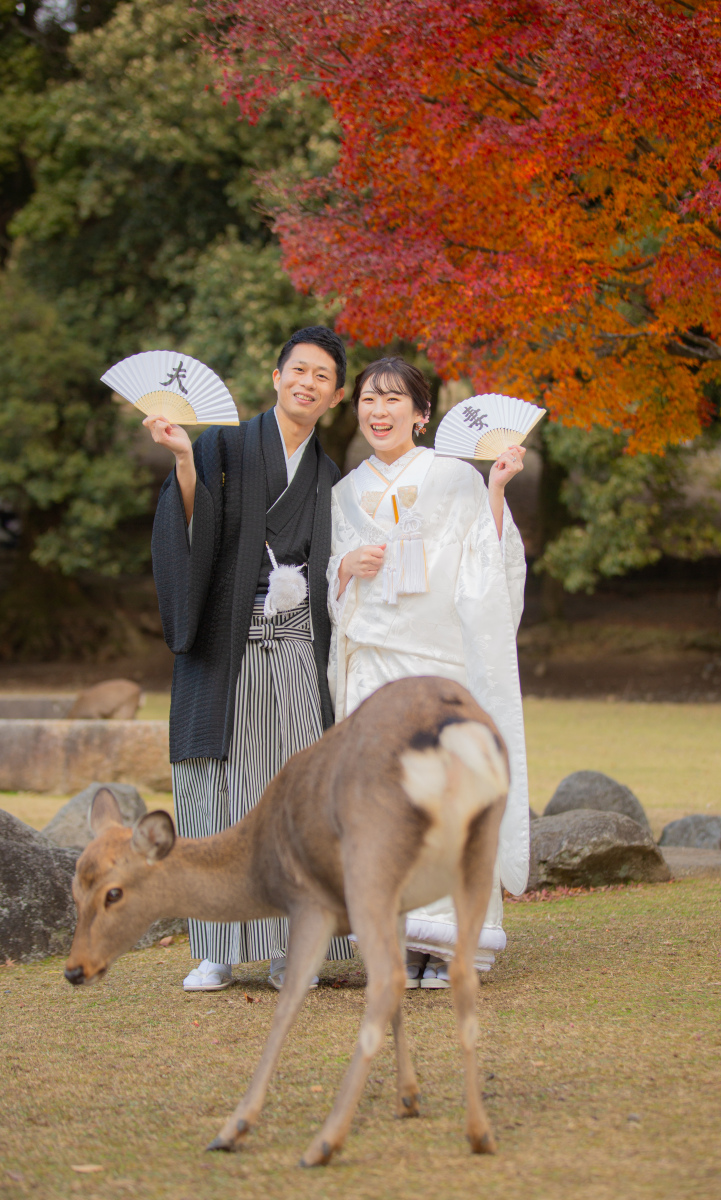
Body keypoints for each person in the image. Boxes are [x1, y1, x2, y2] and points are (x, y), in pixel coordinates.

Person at [147, 327, 355, 992]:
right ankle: (215, 949)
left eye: (322, 376)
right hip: (226, 643)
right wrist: (185, 461)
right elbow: (190, 526)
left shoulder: (330, 476)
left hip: (295, 644)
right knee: (214, 790)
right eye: (299, 370)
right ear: (276, 376)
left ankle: (292, 946)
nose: (307, 383)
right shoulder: (223, 446)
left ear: (337, 395)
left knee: (294, 795)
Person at [327, 357, 530, 989]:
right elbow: (331, 576)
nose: (378, 411)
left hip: (438, 661)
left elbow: (486, 561)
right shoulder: (343, 491)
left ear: (421, 414)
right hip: (372, 665)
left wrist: (496, 490)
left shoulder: (455, 477)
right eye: (368, 399)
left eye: (394, 399)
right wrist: (345, 569)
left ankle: (448, 945)